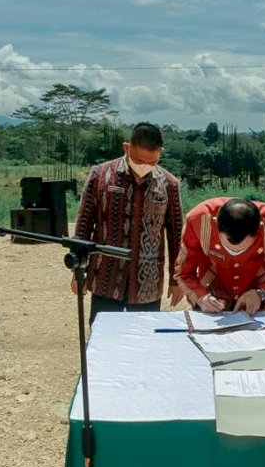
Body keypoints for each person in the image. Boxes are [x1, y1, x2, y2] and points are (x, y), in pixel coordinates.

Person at [72, 122, 184, 323]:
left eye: (152, 162)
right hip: (105, 278)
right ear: (126, 148)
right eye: (140, 160)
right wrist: (78, 271)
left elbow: (176, 235)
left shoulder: (169, 184)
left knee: (144, 343)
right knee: (103, 340)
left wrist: (176, 280)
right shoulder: (101, 176)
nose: (145, 167)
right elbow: (84, 225)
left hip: (147, 282)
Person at [174, 197, 265, 315]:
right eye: (227, 247)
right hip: (211, 297)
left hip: (256, 304)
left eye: (244, 249)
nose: (235, 252)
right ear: (215, 223)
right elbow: (184, 272)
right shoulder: (198, 220)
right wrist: (200, 296)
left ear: (260, 228)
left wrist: (261, 293)